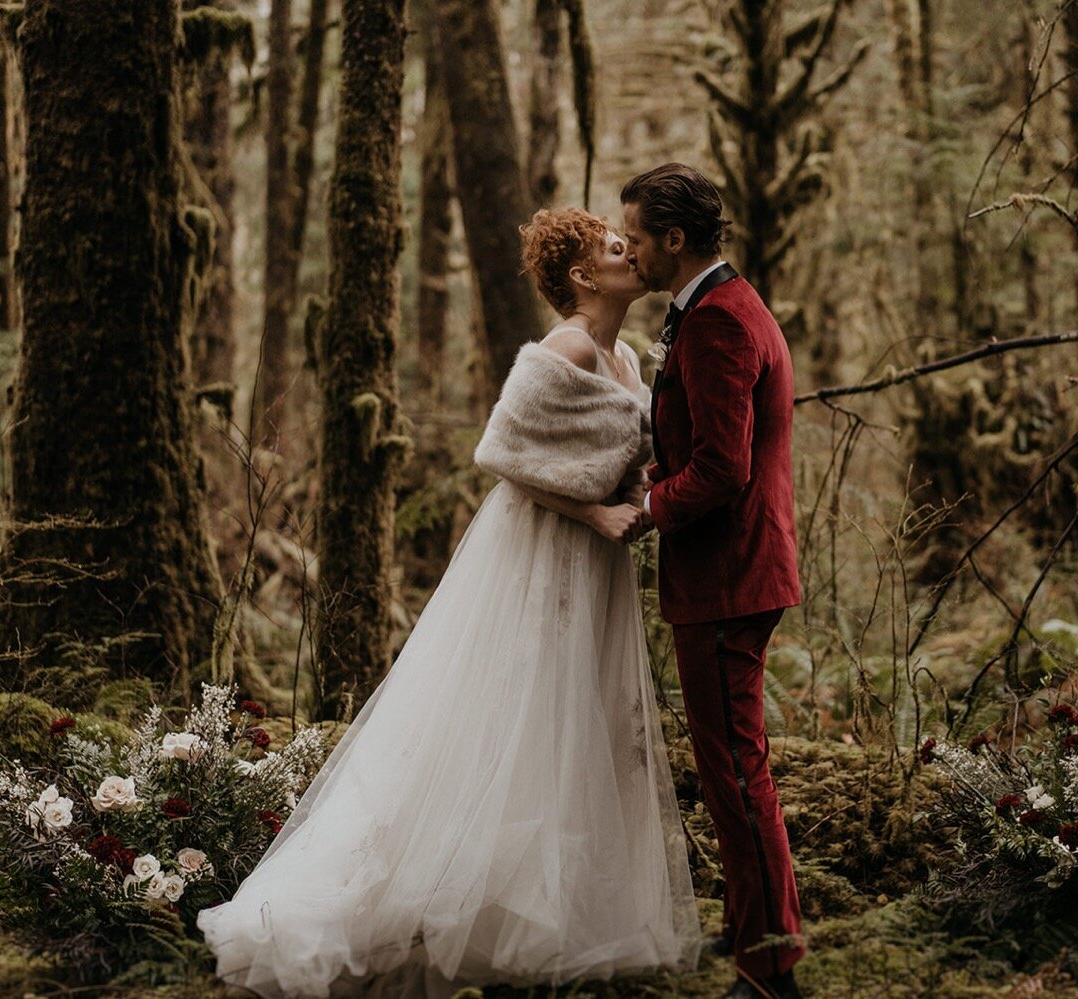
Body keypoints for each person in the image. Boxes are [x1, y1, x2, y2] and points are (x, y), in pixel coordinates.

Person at [197, 208, 701, 998]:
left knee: (581, 724)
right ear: (580, 277)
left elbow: (614, 454)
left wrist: (639, 498)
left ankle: (560, 917)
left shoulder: (630, 360)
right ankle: (427, 903)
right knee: (522, 716)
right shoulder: (565, 344)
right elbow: (502, 451)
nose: (628, 252)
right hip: (539, 552)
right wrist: (593, 511)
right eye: (612, 247)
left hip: (597, 571)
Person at [622, 163, 806, 999]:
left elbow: (723, 469)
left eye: (636, 236)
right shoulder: (716, 307)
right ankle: (755, 932)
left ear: (673, 238)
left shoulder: (721, 321)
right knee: (735, 768)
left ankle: (769, 971)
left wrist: (648, 507)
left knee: (736, 776)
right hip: (730, 576)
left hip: (729, 578)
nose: (628, 250)